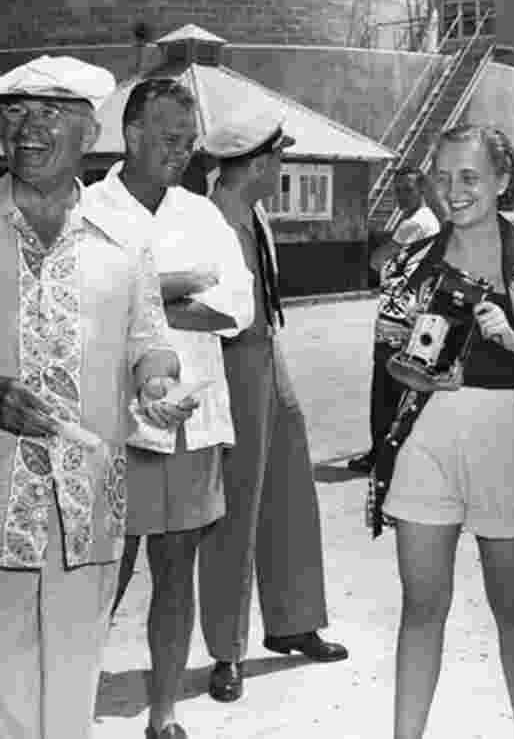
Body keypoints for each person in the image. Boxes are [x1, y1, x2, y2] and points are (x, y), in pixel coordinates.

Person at [0, 56, 190, 739]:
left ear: (92, 132)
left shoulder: (126, 236)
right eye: (15, 113)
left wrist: (157, 383)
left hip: (88, 504)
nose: (26, 129)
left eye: (49, 114)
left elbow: (150, 337)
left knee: (70, 692)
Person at [369, 125, 514, 739]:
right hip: (426, 443)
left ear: (501, 181)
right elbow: (387, 359)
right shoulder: (411, 263)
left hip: (511, 440)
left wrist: (513, 340)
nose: (453, 190)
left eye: (468, 176)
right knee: (420, 608)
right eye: (443, 177)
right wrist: (415, 371)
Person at [88, 78, 255, 739]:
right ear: (130, 135)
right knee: (103, 575)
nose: (180, 153)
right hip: (112, 422)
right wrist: (183, 289)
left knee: (176, 574)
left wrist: (142, 297)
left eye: (188, 142)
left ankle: (163, 713)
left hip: (190, 422)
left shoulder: (201, 214)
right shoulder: (87, 208)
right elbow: (84, 298)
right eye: (167, 139)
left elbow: (236, 311)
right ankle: (68, 705)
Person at [199, 109, 348, 704]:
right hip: (228, 360)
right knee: (234, 505)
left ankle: (293, 620)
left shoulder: (253, 213)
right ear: (257, 165)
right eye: (278, 158)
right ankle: (226, 652)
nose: (283, 166)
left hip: (267, 351)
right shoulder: (208, 221)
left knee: (289, 486)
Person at [350, 166, 441, 474]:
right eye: (397, 190)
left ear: (422, 191)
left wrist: (384, 262)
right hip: (416, 316)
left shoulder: (413, 225)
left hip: (396, 317)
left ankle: (378, 455)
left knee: (384, 391)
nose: (401, 196)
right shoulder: (430, 222)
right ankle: (400, 452)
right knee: (405, 388)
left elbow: (377, 260)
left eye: (407, 190)